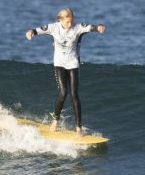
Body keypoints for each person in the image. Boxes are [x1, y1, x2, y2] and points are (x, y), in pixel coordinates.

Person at [25, 8, 106, 137]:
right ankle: (55, 120)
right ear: (60, 20)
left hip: (73, 63)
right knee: (63, 93)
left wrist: (99, 28)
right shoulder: (54, 28)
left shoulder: (77, 28)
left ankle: (78, 128)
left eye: (71, 21)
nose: (70, 24)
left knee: (74, 94)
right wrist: (31, 32)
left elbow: (90, 27)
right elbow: (38, 30)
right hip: (59, 63)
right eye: (67, 22)